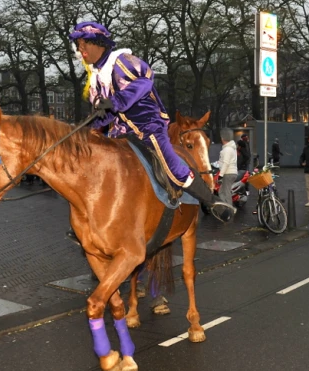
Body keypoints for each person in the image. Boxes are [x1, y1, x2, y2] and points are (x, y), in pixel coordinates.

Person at [69, 21, 233, 222]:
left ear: (100, 43)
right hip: (119, 132)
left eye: (84, 42)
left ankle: (212, 202)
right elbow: (108, 114)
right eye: (78, 44)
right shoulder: (95, 80)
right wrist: (86, 127)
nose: (80, 48)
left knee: (171, 165)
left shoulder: (122, 61)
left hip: (147, 126)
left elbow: (145, 81)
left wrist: (115, 102)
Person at [218, 128, 238, 210]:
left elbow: (226, 163)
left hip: (228, 173)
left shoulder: (227, 149)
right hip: (231, 172)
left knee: (226, 192)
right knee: (221, 192)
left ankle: (230, 209)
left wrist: (221, 175)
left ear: (222, 138)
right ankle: (226, 207)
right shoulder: (231, 148)